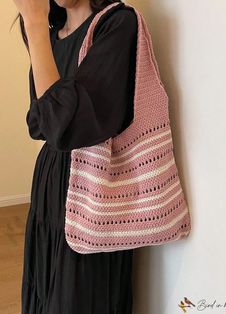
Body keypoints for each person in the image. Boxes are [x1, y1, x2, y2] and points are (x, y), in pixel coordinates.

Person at [11, 0, 137, 312]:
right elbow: (39, 123)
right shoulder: (53, 36)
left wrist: (35, 25)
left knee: (79, 298)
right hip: (51, 183)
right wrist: (39, 32)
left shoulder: (118, 23)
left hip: (91, 190)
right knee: (44, 289)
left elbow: (68, 128)